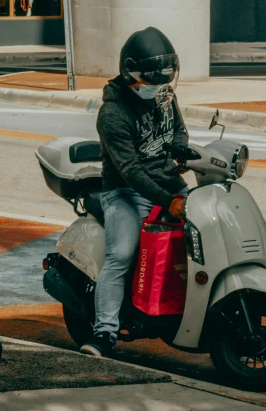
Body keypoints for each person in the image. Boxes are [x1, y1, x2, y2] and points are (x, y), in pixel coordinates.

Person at [80, 27, 189, 358]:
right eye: (151, 81)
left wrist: (182, 150)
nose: (158, 88)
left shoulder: (162, 94)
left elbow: (179, 130)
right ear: (130, 72)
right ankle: (104, 333)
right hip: (126, 192)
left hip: (169, 186)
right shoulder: (112, 113)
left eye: (163, 81)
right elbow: (131, 171)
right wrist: (168, 201)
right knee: (123, 254)